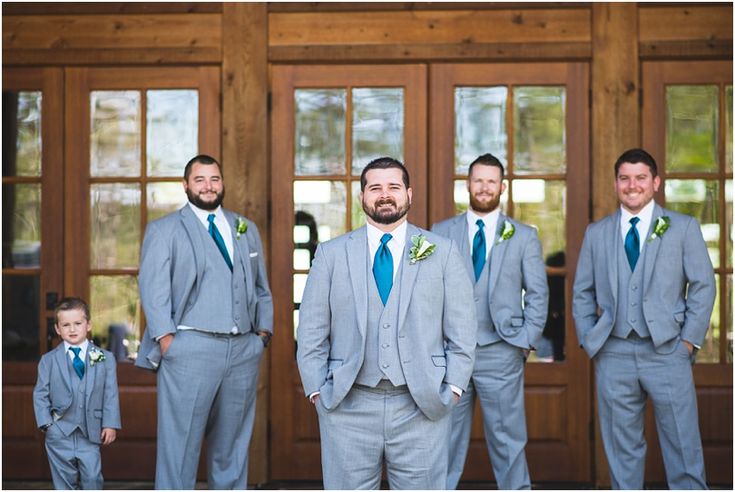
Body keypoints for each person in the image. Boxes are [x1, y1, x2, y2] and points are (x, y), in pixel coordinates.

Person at [297, 157, 476, 489]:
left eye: (394, 187)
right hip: (347, 405)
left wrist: (451, 390)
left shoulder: (443, 251)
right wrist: (318, 392)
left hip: (422, 405)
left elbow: (463, 331)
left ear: (409, 194)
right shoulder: (331, 254)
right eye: (375, 187)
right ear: (362, 196)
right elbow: (311, 331)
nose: (385, 194)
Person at [573, 148, 715, 489]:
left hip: (668, 352)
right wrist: (592, 339)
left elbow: (703, 286)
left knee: (683, 447)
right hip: (614, 353)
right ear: (616, 183)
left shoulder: (682, 228)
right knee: (622, 452)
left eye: (640, 178)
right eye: (624, 178)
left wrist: (687, 342)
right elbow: (582, 292)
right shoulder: (597, 232)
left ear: (655, 182)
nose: (632, 185)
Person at [135, 154, 273, 489]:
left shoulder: (245, 228)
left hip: (242, 349)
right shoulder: (164, 230)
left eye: (214, 179)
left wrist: (262, 335)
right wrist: (168, 342)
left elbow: (261, 287)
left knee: (233, 447)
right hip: (188, 350)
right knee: (179, 447)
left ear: (222, 183)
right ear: (186, 185)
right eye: (200, 180)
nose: (208, 186)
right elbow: (154, 292)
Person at [432, 153, 548, 489]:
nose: (484, 188)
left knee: (508, 439)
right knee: (445, 439)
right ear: (468, 184)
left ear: (502, 187)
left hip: (502, 351)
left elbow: (538, 294)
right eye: (478, 180)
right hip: (451, 353)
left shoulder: (524, 235)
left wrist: (524, 341)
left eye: (491, 181)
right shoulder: (441, 232)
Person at [33, 297, 121, 489]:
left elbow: (110, 392)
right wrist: (47, 424)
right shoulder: (49, 360)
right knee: (63, 481)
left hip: (90, 431)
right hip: (59, 432)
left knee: (92, 477)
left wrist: (110, 423)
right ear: (57, 329)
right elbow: (40, 393)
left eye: (78, 323)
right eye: (66, 325)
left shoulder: (103, 358)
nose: (72, 329)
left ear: (88, 325)